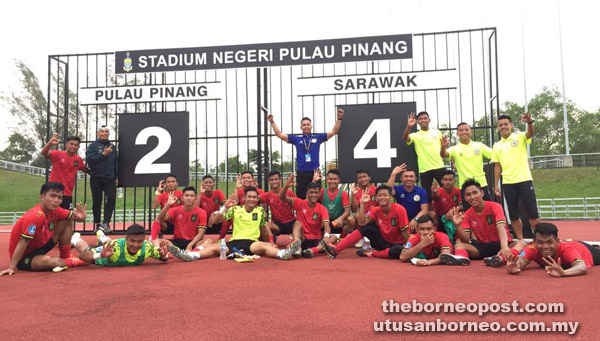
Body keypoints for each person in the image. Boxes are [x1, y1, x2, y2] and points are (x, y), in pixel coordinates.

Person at [183, 186, 301, 260]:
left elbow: (264, 230)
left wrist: (269, 242)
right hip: (234, 243)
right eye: (249, 197)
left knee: (265, 247)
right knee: (214, 248)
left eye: (254, 197)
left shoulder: (260, 211)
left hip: (252, 243)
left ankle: (283, 253)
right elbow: (216, 220)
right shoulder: (235, 209)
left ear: (257, 199)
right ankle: (192, 256)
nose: (251, 199)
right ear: (244, 198)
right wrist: (224, 207)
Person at [1, 183, 87, 276]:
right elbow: (23, 242)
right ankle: (74, 261)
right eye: (52, 196)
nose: (56, 200)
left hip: (41, 246)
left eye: (59, 197)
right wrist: (11, 267)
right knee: (53, 262)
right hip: (25, 256)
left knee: (66, 221)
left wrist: (82, 217)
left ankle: (66, 257)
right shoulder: (35, 215)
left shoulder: (56, 210)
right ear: (42, 197)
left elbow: (77, 217)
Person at [441, 179, 526, 267]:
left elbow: (501, 227)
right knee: (459, 246)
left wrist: (504, 247)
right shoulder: (466, 215)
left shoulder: (495, 206)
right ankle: (461, 258)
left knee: (521, 243)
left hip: (501, 243)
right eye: (468, 195)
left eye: (475, 193)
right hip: (483, 247)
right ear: (465, 198)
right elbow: (465, 240)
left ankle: (501, 259)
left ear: (482, 193)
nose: (472, 197)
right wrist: (457, 226)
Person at [267, 108, 344, 199]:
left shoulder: (318, 137)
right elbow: (279, 134)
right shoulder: (297, 139)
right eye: (304, 125)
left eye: (308, 124)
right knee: (301, 198)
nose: (306, 126)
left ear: (311, 126)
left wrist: (339, 118)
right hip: (302, 173)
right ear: (301, 127)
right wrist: (272, 122)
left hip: (315, 172)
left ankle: (316, 213)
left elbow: (334, 131)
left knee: (316, 197)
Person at [323, 185, 409, 260]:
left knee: (398, 250)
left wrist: (409, 248)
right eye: (379, 195)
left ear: (391, 197)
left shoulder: (399, 210)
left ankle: (371, 254)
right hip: (382, 242)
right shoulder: (376, 210)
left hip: (397, 244)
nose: (382, 197)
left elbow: (405, 232)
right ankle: (335, 249)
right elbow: (361, 224)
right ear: (376, 197)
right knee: (367, 228)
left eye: (385, 195)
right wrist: (363, 204)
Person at [492, 113, 540, 240]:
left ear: (511, 125)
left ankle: (538, 239)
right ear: (498, 128)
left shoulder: (519, 137)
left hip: (524, 180)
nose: (503, 127)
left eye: (506, 124)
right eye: (500, 125)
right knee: (513, 215)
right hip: (508, 183)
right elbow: (497, 165)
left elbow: (530, 134)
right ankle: (520, 240)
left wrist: (529, 122)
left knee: (532, 213)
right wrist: (496, 184)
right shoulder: (497, 146)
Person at [507, 223, 600, 277]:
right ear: (534, 242)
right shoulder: (531, 249)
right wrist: (515, 267)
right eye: (540, 242)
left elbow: (581, 267)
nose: (545, 246)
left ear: (557, 241)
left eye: (549, 242)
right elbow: (520, 263)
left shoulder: (567, 250)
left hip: (585, 250)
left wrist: (564, 273)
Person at [278, 175, 335, 258]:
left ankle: (313, 251)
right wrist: (286, 186)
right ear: (307, 193)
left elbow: (326, 226)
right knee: (297, 223)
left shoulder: (322, 208)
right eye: (311, 192)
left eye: (316, 193)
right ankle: (297, 247)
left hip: (317, 240)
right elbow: (282, 198)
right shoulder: (299, 203)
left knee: (334, 237)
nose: (313, 195)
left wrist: (326, 237)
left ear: (319, 194)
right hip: (303, 239)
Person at [440, 122, 492, 210]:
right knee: (470, 213)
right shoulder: (454, 149)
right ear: (457, 133)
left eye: (466, 130)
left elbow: (494, 154)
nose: (464, 132)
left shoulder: (479, 145)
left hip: (481, 184)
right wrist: (443, 147)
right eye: (461, 130)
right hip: (464, 187)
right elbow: (444, 154)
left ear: (470, 132)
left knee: (488, 211)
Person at [402, 111, 446, 208]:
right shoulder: (415, 135)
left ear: (429, 120)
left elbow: (443, 150)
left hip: (439, 166)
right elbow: (405, 138)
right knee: (427, 196)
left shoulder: (437, 132)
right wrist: (409, 126)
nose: (423, 120)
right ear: (417, 122)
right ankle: (430, 217)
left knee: (446, 192)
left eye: (425, 118)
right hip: (424, 169)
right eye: (421, 119)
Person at [69, 224, 169, 266]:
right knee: (86, 248)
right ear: (126, 239)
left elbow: (163, 259)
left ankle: (101, 235)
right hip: (104, 252)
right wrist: (101, 255)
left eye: (139, 241)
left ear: (144, 240)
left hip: (110, 244)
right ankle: (76, 239)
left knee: (107, 242)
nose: (135, 244)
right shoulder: (114, 248)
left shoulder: (147, 247)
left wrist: (164, 255)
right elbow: (83, 256)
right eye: (132, 240)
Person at [155, 187, 209, 261]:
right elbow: (160, 219)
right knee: (157, 241)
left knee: (208, 241)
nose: (189, 198)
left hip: (194, 242)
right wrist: (167, 205)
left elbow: (201, 234)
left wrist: (190, 245)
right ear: (182, 198)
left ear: (195, 198)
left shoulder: (202, 212)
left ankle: (190, 254)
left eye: (192, 196)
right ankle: (163, 254)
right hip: (177, 241)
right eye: (186, 195)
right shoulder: (175, 210)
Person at [41, 133, 87, 209]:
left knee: (67, 217)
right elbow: (43, 153)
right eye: (71, 144)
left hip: (67, 194)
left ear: (78, 147)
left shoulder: (78, 159)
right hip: (53, 191)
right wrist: (50, 143)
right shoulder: (57, 154)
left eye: (76, 145)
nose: (73, 146)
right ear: (66, 144)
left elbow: (85, 169)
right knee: (50, 216)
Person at [85, 125, 117, 233]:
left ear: (108, 134)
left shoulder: (113, 146)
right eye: (102, 131)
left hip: (109, 178)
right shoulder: (93, 146)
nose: (104, 133)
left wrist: (116, 176)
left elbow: (115, 162)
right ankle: (98, 224)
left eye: (106, 132)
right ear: (98, 133)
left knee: (112, 198)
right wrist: (103, 154)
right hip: (96, 177)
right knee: (97, 201)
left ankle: (105, 223)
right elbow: (90, 161)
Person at [385, 165, 429, 232]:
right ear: (401, 179)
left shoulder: (421, 191)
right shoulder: (398, 189)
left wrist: (415, 219)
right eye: (406, 176)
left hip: (417, 220)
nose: (409, 179)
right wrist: (393, 174)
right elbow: (387, 191)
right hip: (401, 220)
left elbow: (424, 210)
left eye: (411, 176)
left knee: (432, 214)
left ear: (415, 178)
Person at [261, 171, 296, 243]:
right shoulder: (267, 195)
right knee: (266, 225)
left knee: (299, 224)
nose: (274, 181)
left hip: (291, 223)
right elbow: (254, 200)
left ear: (280, 180)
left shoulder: (289, 192)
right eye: (272, 180)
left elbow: (298, 206)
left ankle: (295, 244)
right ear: (269, 182)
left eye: (276, 179)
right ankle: (271, 243)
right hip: (278, 225)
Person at [316, 169, 352, 238]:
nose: (332, 181)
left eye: (335, 179)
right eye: (330, 179)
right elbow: (310, 198)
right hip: (325, 221)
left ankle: (342, 236)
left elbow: (347, 211)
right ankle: (318, 235)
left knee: (351, 220)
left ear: (339, 180)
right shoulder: (322, 191)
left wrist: (340, 219)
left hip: (337, 221)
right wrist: (314, 181)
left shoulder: (343, 193)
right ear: (326, 180)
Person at [150, 174, 183, 240]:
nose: (171, 184)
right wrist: (158, 191)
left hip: (180, 221)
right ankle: (152, 239)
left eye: (173, 182)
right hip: (167, 223)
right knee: (158, 218)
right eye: (168, 182)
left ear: (177, 184)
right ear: (165, 184)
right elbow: (154, 206)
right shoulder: (162, 195)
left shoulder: (182, 194)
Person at [431, 169, 461, 238]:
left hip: (452, 216)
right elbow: (436, 195)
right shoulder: (439, 191)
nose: (448, 182)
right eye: (446, 179)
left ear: (454, 181)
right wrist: (434, 192)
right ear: (442, 181)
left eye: (450, 179)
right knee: (432, 214)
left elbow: (461, 204)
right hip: (440, 218)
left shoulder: (457, 191)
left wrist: (452, 211)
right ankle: (435, 235)